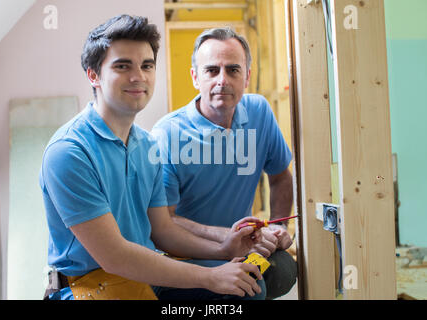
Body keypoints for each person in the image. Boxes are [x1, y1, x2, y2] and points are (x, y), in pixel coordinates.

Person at [39, 15, 265, 300]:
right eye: (123, 66)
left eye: (147, 65)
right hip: (89, 285)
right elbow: (115, 257)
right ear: (93, 75)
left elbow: (163, 231)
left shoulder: (147, 145)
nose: (138, 77)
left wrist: (224, 249)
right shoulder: (69, 151)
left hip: (144, 273)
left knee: (246, 289)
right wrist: (210, 277)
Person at [152, 27, 297, 300]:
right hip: (184, 257)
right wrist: (228, 238)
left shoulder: (259, 112)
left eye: (233, 70)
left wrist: (278, 227)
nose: (223, 81)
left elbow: (280, 177)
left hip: (243, 249)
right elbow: (165, 221)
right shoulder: (167, 135)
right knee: (249, 289)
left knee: (283, 269)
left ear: (247, 76)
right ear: (195, 77)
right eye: (211, 71)